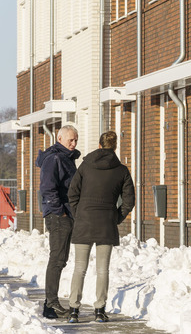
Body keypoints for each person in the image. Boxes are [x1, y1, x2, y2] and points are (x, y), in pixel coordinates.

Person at [67, 131, 135, 323]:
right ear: (115, 147)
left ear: (99, 146)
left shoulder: (85, 166)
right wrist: (116, 217)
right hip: (106, 222)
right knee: (103, 269)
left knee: (79, 267)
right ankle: (99, 310)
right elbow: (129, 201)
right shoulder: (121, 170)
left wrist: (78, 213)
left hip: (84, 221)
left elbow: (72, 193)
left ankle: (73, 310)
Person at [38, 124, 80, 319]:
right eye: (70, 140)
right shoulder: (55, 158)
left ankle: (50, 304)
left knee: (60, 258)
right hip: (58, 216)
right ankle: (51, 304)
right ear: (60, 139)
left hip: (66, 214)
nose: (74, 143)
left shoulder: (66, 158)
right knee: (57, 258)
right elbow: (48, 188)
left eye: (76, 140)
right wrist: (60, 211)